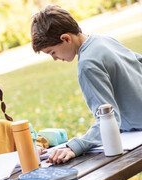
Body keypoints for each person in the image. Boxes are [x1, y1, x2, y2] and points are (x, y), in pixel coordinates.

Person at [31, 5, 142, 164]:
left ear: (66, 39)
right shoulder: (103, 40)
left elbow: (109, 118)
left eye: (52, 52)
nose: (54, 58)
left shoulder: (87, 64)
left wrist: (74, 147)